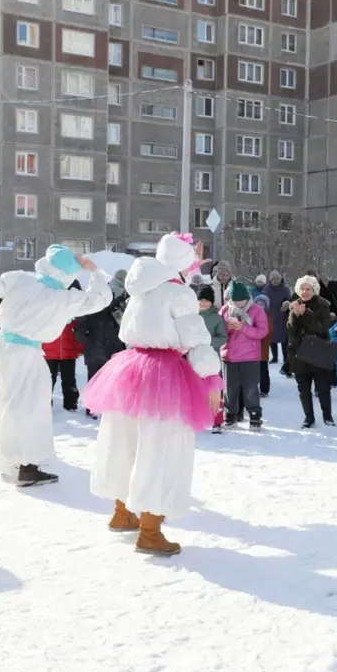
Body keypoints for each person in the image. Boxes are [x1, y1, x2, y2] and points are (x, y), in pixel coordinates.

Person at [85, 232, 222, 556]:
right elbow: (195, 338)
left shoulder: (142, 288)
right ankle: (149, 531)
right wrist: (212, 376)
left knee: (125, 443)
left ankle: (122, 513)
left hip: (130, 368)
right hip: (164, 374)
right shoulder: (179, 294)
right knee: (162, 449)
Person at [0, 244, 112, 486]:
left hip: (0, 345)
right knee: (29, 408)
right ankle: (27, 467)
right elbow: (101, 298)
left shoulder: (21, 279)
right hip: (26, 353)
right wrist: (95, 271)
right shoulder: (66, 298)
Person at [74, 282, 127, 420]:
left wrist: (88, 343)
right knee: (109, 380)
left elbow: (79, 331)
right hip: (111, 349)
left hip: (96, 350)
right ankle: (105, 408)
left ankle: (93, 408)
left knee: (95, 380)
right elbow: (123, 328)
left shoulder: (90, 307)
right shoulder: (116, 306)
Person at [287, 275, 335, 428]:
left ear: (314, 290)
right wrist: (295, 316)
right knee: (303, 388)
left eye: (308, 289)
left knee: (323, 387)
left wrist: (307, 314)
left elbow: (322, 328)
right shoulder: (295, 304)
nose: (305, 292)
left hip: (318, 350)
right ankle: (309, 417)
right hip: (300, 352)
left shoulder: (323, 305)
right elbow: (290, 331)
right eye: (302, 289)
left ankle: (327, 416)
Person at [221, 279, 269, 430]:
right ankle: (230, 415)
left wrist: (242, 327)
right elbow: (219, 331)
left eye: (241, 300)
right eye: (235, 300)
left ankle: (254, 416)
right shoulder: (225, 310)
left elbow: (262, 332)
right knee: (230, 388)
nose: (239, 303)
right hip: (229, 356)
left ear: (247, 297)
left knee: (250, 388)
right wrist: (229, 328)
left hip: (250, 356)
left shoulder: (256, 310)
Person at [195, 285, 229, 432]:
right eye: (201, 300)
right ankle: (196, 419)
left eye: (207, 300)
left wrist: (208, 341)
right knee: (195, 390)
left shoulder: (216, 318)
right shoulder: (191, 316)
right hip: (193, 360)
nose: (203, 303)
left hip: (211, 359)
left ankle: (216, 421)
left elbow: (223, 337)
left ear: (212, 301)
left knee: (213, 391)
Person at [42, 310, 84, 413]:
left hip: (68, 351)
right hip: (49, 351)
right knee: (48, 380)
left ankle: (71, 404)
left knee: (69, 379)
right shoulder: (47, 312)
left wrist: (79, 347)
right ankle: (44, 404)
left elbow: (79, 331)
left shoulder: (71, 311)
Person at [261, 271, 292, 373]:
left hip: (283, 315)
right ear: (270, 280)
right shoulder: (266, 289)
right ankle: (274, 357)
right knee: (272, 336)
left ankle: (285, 357)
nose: (276, 281)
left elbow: (290, 300)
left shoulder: (285, 289)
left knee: (284, 337)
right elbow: (262, 300)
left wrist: (287, 304)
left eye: (278, 279)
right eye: (274, 279)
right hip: (271, 315)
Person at [253, 294, 273, 397]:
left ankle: (264, 389)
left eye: (262, 304)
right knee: (253, 370)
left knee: (263, 370)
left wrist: (257, 335)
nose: (260, 306)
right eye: (258, 304)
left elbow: (269, 332)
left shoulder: (267, 316)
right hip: (252, 348)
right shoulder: (252, 315)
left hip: (263, 347)